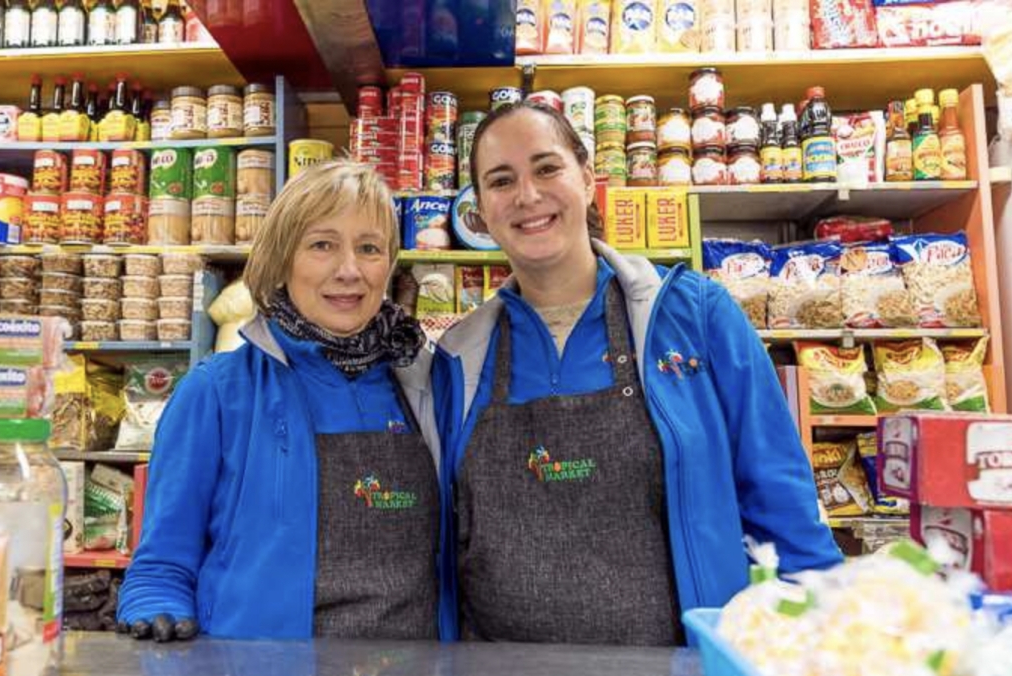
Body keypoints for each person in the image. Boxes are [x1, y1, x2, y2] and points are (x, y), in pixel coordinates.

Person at [431, 101, 843, 645]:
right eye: (501, 180)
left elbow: (783, 508)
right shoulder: (459, 356)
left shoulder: (696, 316)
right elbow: (440, 546)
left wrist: (827, 635)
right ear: (480, 211)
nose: (527, 195)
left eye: (547, 168)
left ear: (587, 179)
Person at [117, 161, 452, 642]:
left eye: (370, 248)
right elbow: (161, 566)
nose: (349, 270)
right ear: (282, 258)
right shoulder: (216, 392)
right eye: (322, 245)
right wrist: (158, 612)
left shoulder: (427, 385)